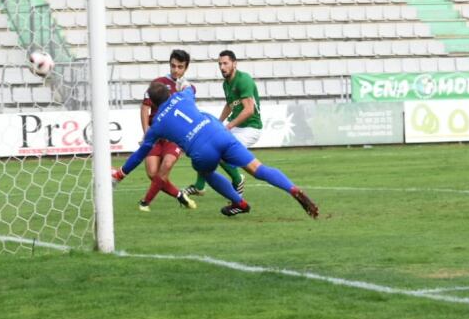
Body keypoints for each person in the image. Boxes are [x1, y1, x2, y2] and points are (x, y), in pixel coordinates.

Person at [115, 82, 318, 219]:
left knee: (207, 173)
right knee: (258, 168)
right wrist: (186, 84)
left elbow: (141, 153)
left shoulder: (157, 123)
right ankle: (292, 188)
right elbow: (192, 88)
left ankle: (239, 202)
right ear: (170, 93)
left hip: (200, 150)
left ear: (152, 103)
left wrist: (122, 173)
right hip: (219, 133)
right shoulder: (184, 96)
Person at [184, 50, 260, 199]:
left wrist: (229, 125)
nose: (222, 67)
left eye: (225, 63)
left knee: (219, 151)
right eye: (220, 64)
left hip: (250, 128)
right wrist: (218, 123)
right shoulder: (226, 83)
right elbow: (230, 105)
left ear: (234, 63)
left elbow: (249, 110)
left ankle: (238, 179)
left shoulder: (243, 80)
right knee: (207, 145)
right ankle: (200, 186)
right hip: (237, 127)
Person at [135, 50, 198, 212]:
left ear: (186, 68)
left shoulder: (188, 89)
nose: (175, 70)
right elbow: (145, 108)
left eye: (180, 67)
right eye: (173, 66)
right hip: (156, 135)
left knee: (166, 165)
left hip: (174, 138)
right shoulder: (158, 83)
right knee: (152, 173)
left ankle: (145, 202)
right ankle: (180, 195)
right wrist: (147, 132)